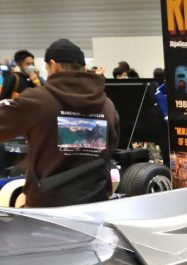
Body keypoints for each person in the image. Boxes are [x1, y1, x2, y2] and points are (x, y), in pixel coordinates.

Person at [0, 39, 119, 207]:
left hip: (47, 207)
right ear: (83, 67)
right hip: (95, 203)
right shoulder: (107, 105)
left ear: (53, 65)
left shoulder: (39, 100)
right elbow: (112, 146)